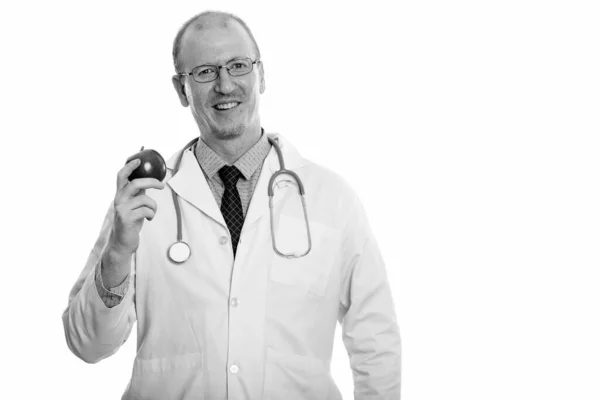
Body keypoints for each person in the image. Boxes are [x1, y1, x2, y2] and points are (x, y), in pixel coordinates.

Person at [62, 10, 401, 400]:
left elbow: (376, 341)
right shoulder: (143, 200)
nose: (225, 85)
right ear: (181, 89)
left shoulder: (331, 198)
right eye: (205, 71)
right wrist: (119, 251)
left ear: (261, 74)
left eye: (238, 66)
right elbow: (88, 345)